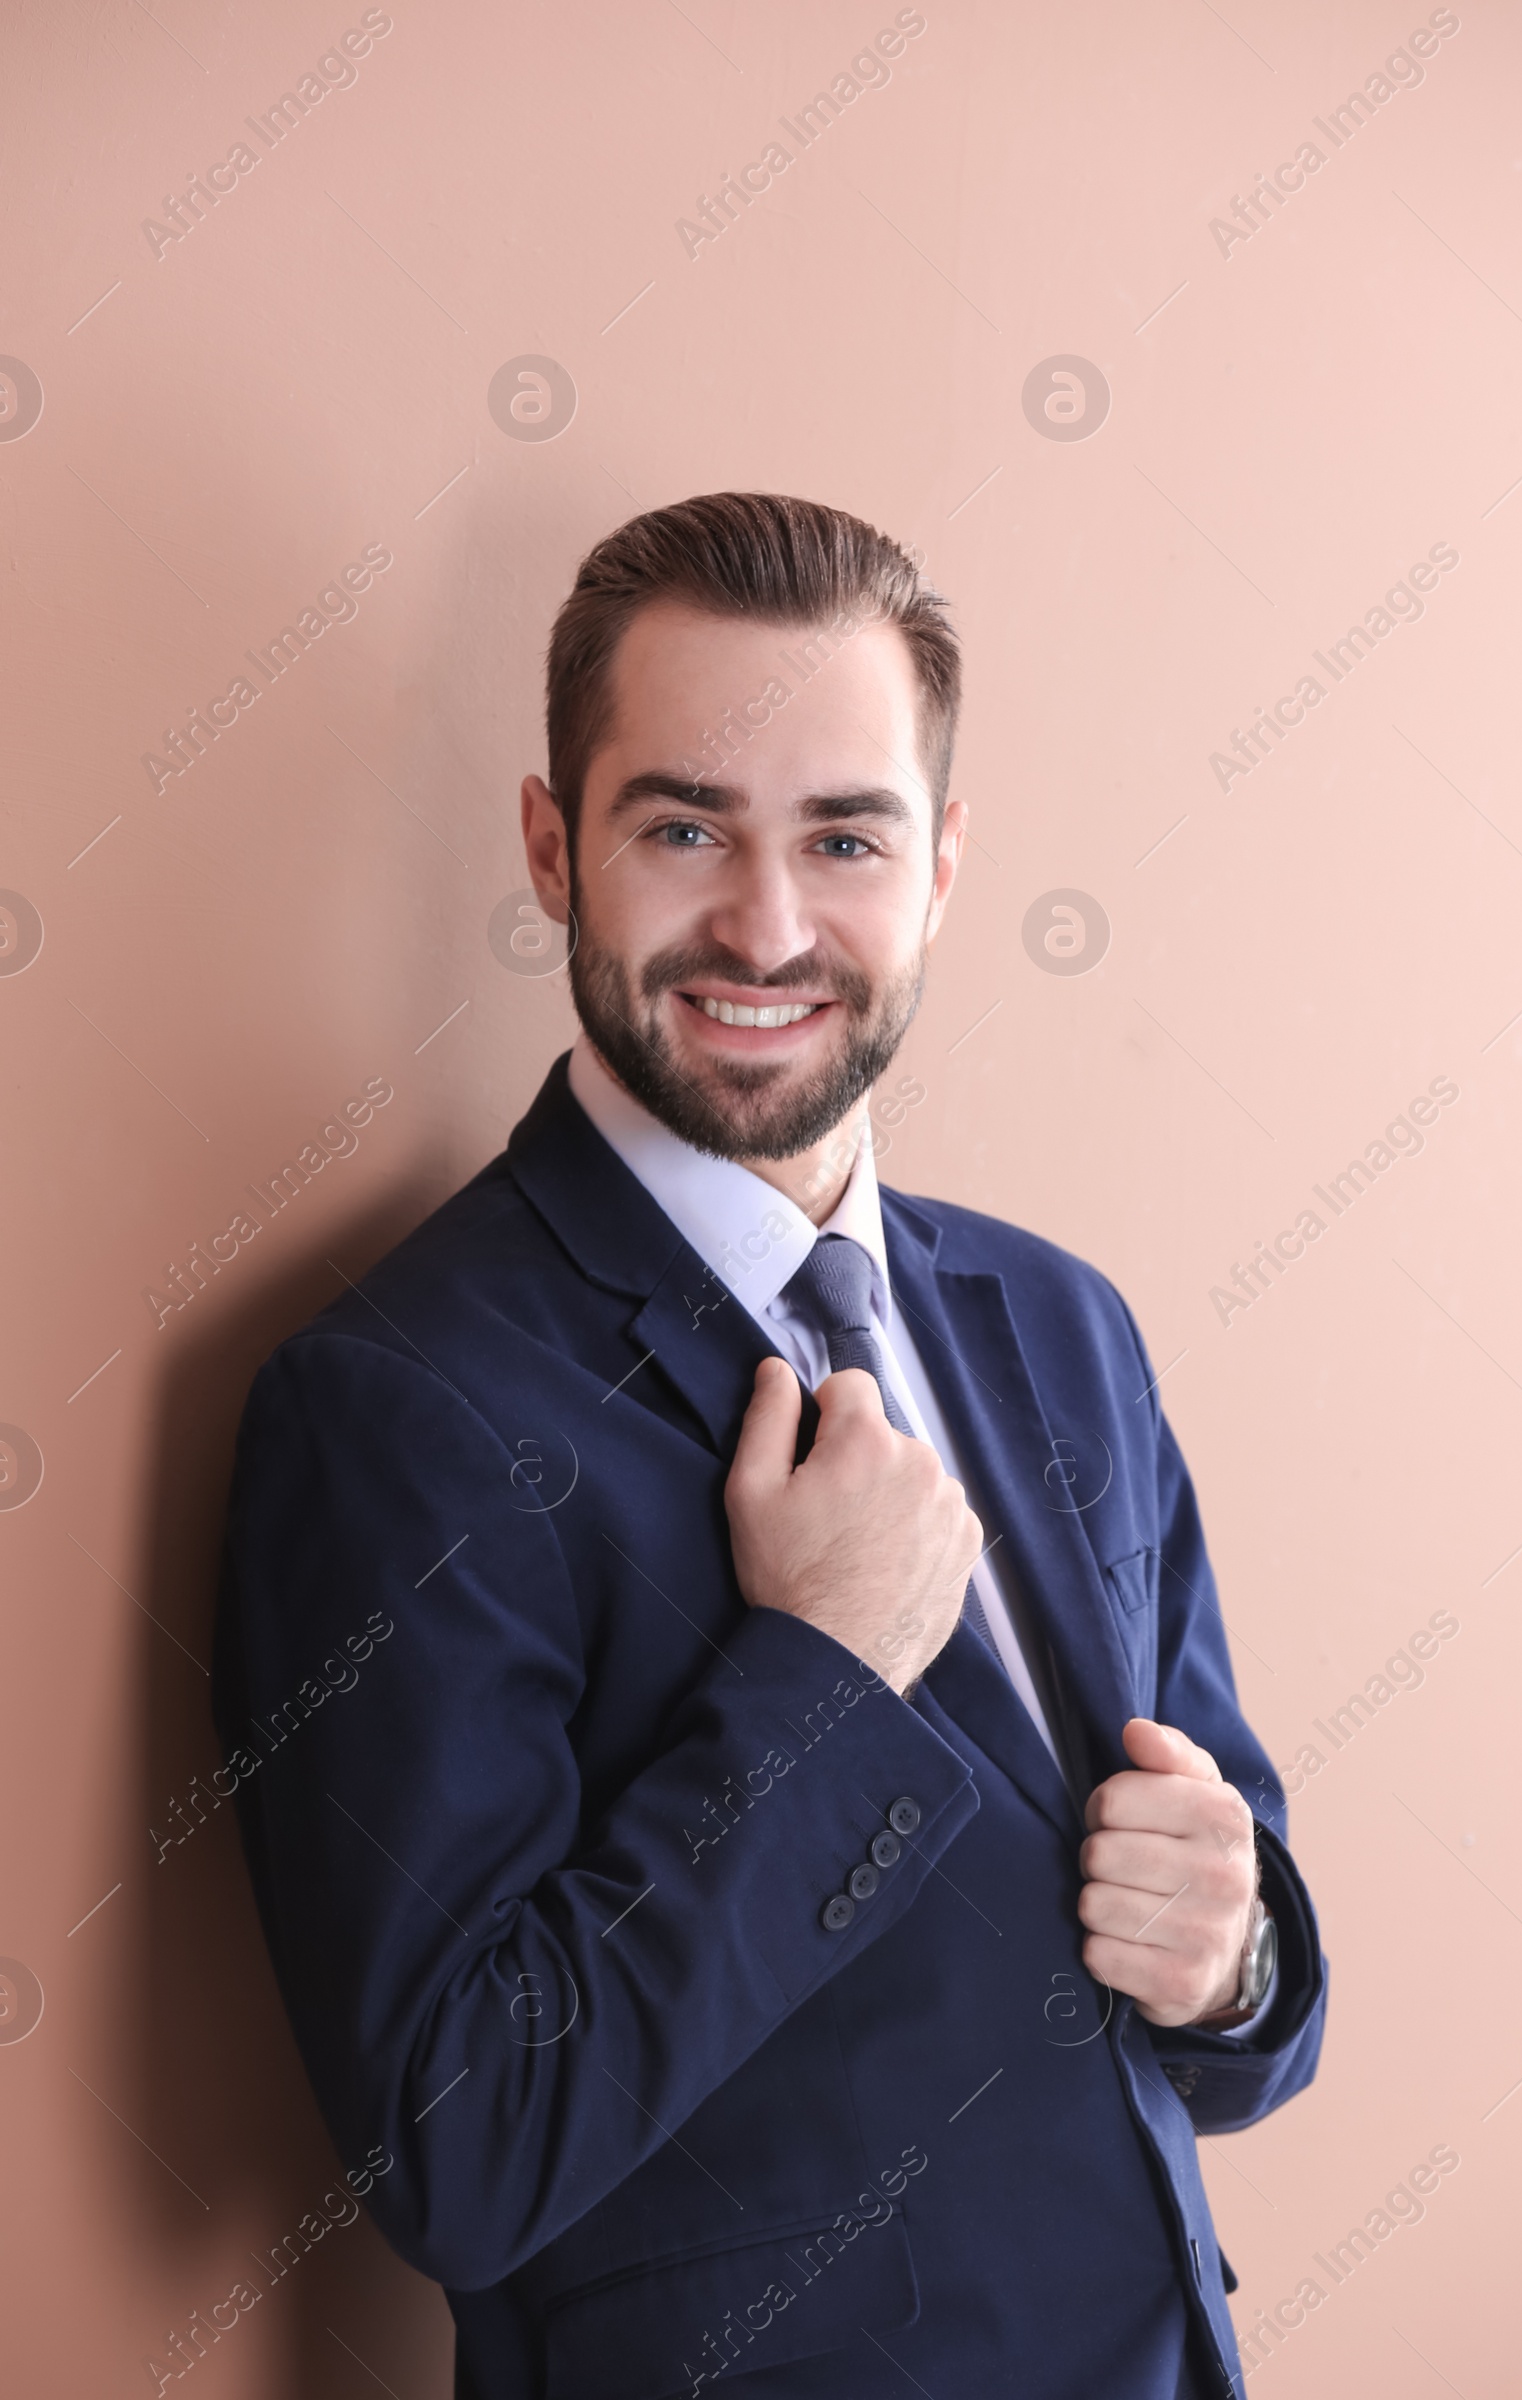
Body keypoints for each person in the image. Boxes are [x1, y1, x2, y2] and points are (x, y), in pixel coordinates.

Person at [214, 492, 1326, 2399]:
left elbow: (1226, 1960)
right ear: (557, 849)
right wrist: (818, 1677)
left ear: (945, 865)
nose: (768, 923)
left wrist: (1240, 1960)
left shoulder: (1062, 1327)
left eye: (844, 836)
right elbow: (459, 2148)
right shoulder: (395, 1400)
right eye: (684, 827)